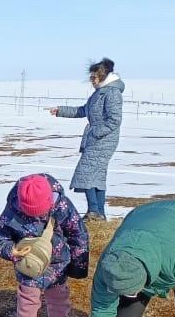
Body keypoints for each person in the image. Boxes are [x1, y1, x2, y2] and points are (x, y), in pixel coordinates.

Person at [0, 173, 90, 317]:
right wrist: (12, 251)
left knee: (60, 300)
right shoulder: (12, 209)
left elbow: (78, 234)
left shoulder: (61, 205)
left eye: (40, 212)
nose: (35, 216)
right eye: (29, 213)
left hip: (58, 263)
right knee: (28, 302)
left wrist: (78, 265)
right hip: (29, 265)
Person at [50, 57, 124, 221]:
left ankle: (93, 211)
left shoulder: (112, 93)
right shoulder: (99, 93)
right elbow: (84, 110)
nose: (91, 80)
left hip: (103, 139)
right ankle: (99, 213)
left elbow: (115, 120)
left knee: (86, 173)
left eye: (93, 77)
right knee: (96, 175)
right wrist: (60, 111)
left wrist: (96, 132)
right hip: (96, 138)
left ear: (103, 76)